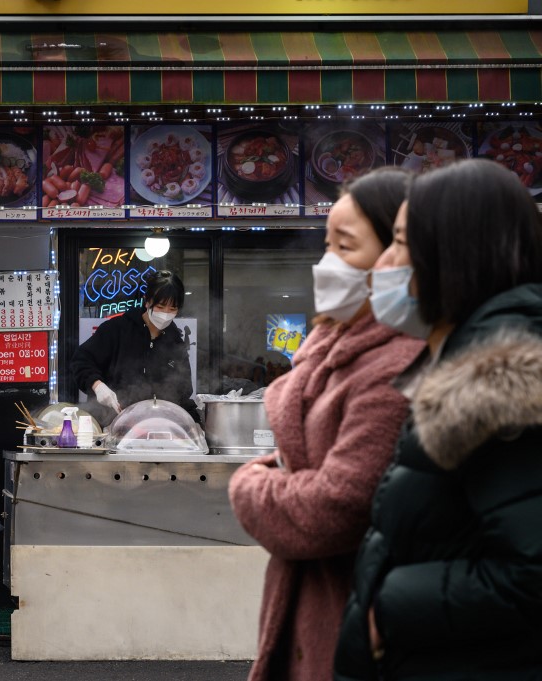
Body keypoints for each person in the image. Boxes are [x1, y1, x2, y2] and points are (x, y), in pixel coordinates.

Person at [334, 159, 542, 680]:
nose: (384, 262)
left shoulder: (499, 382)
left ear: (455, 254)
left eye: (402, 243)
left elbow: (531, 572)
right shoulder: (459, 360)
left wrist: (390, 607)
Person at [227, 168, 424, 681]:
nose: (328, 262)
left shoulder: (396, 364)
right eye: (327, 245)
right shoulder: (333, 347)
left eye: (346, 245)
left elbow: (336, 507)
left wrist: (251, 484)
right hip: (314, 610)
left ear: (397, 255)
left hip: (356, 618)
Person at [70, 269, 199, 423]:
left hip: (159, 426)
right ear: (147, 301)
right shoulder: (116, 329)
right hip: (113, 423)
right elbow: (82, 360)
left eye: (172, 309)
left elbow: (183, 392)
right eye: (160, 307)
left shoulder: (175, 341)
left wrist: (195, 424)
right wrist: (97, 386)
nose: (165, 313)